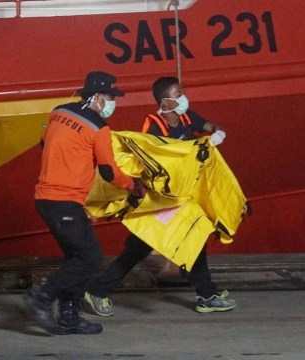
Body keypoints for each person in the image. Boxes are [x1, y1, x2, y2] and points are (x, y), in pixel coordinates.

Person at [82, 76, 235, 317]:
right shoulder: (152, 126)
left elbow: (211, 126)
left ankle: (206, 294)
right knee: (187, 236)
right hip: (158, 201)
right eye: (178, 93)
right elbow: (149, 162)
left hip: (178, 198)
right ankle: (207, 295)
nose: (183, 97)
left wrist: (217, 134)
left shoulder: (186, 117)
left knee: (157, 244)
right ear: (165, 100)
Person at [24, 71, 146, 335]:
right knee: (90, 259)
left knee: (75, 258)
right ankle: (42, 297)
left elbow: (44, 144)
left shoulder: (58, 112)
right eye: (111, 97)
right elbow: (109, 172)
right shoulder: (99, 127)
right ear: (98, 96)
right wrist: (133, 186)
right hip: (62, 201)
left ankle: (69, 317)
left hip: (49, 200)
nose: (114, 102)